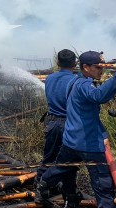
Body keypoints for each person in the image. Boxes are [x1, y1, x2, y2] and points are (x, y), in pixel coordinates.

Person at [36, 51, 116, 208]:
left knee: (61, 167)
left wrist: (103, 133)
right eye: (98, 67)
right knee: (103, 186)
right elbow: (98, 96)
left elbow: (86, 114)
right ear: (84, 67)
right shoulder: (83, 84)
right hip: (88, 143)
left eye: (103, 66)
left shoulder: (72, 82)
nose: (101, 70)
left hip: (70, 139)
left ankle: (45, 184)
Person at [35, 49, 78, 185]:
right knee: (69, 161)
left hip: (52, 123)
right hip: (69, 125)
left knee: (48, 157)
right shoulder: (76, 81)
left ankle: (39, 182)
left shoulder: (50, 78)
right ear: (75, 63)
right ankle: (67, 191)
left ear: (58, 62)